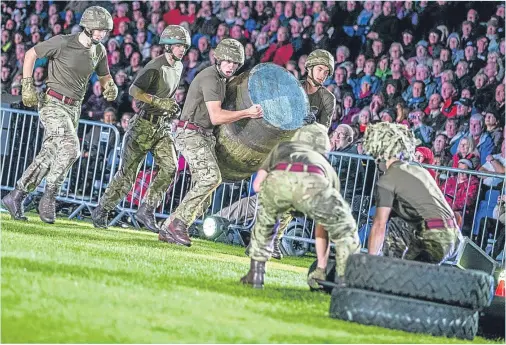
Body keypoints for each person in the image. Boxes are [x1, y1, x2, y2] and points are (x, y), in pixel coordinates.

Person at [1, 6, 117, 224]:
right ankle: (49, 197)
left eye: (105, 30)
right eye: (100, 29)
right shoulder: (64, 42)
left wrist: (110, 86)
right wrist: (27, 86)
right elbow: (30, 54)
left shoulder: (99, 51)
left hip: (74, 108)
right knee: (71, 147)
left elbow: (104, 75)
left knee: (50, 154)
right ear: (88, 27)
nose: (103, 34)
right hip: (52, 103)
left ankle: (16, 196)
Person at [158, 38, 264, 247]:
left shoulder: (221, 80)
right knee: (210, 177)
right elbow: (216, 117)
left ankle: (168, 227)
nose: (231, 66)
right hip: (191, 133)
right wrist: (247, 113)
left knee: (206, 193)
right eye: (228, 61)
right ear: (218, 59)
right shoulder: (211, 78)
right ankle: (177, 224)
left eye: (235, 64)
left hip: (203, 135)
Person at [91, 25, 190, 232]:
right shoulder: (155, 66)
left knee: (171, 167)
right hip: (142, 125)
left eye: (185, 46)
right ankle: (102, 209)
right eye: (180, 46)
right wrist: (157, 101)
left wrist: (169, 105)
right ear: (169, 46)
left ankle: (146, 209)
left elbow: (167, 93)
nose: (184, 50)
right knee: (127, 175)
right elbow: (134, 90)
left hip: (161, 126)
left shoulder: (179, 66)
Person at [240, 123, 360, 289]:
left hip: (280, 182)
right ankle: (341, 278)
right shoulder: (325, 164)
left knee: (267, 218)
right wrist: (321, 265)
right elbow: (322, 224)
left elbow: (257, 185)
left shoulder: (282, 148)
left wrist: (275, 200)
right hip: (314, 186)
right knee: (345, 229)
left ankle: (256, 273)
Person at [364, 122, 461, 264]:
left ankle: (381, 272)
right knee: (397, 225)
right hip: (453, 236)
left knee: (391, 270)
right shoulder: (420, 170)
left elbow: (379, 225)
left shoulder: (389, 179)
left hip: (433, 240)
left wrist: (370, 262)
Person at [302, 49, 336, 129]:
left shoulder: (328, 98)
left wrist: (313, 124)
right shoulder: (294, 87)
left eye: (326, 72)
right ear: (310, 68)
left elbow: (323, 131)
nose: (323, 75)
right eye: (320, 69)